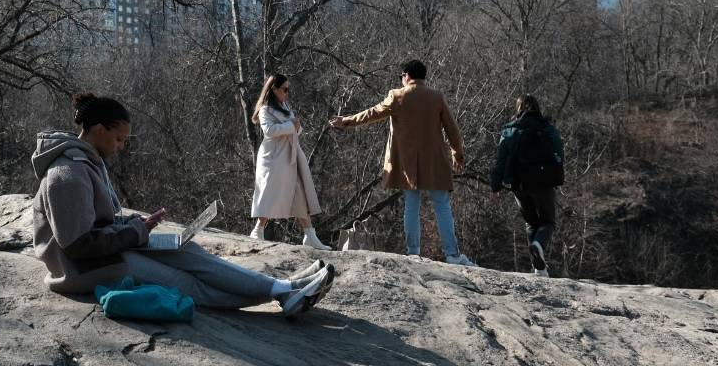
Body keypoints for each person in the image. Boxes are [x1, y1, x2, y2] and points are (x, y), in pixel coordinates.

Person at [32, 94, 336, 317]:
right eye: (119, 139)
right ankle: (283, 294)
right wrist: (133, 233)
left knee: (188, 252)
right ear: (99, 130)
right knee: (184, 282)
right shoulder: (67, 175)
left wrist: (135, 226)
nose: (121, 147)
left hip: (108, 252)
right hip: (85, 268)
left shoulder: (87, 160)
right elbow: (77, 245)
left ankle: (283, 287)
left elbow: (97, 222)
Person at [329, 59, 475, 266]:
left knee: (411, 207)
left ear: (407, 75)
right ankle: (452, 255)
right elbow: (452, 130)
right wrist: (457, 154)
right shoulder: (437, 97)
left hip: (408, 164)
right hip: (435, 161)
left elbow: (371, 114)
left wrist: (346, 121)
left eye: (401, 76)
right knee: (442, 207)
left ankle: (413, 254)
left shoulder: (397, 96)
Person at [249, 74, 329, 251]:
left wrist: (296, 127)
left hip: (289, 157)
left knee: (299, 192)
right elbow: (269, 131)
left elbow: (296, 130)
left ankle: (310, 235)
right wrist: (292, 125)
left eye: (288, 89)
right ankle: (258, 229)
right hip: (273, 158)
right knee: (270, 193)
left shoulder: (285, 107)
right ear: (274, 90)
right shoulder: (265, 109)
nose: (287, 93)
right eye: (284, 89)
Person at [490, 95, 565, 277]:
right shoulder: (547, 127)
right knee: (548, 221)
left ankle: (539, 268)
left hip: (519, 184)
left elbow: (500, 160)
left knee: (531, 223)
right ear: (538, 108)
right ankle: (538, 246)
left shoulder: (509, 130)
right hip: (543, 182)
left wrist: (495, 186)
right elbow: (558, 153)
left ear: (518, 108)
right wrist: (555, 173)